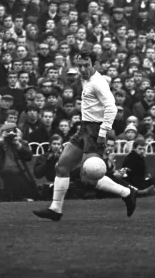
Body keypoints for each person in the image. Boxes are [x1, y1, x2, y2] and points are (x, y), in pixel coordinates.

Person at [33, 50, 137, 221]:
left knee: (88, 178)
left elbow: (111, 108)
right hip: (85, 128)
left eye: (86, 65)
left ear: (94, 64)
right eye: (80, 65)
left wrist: (103, 133)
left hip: (95, 130)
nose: (82, 69)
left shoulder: (98, 83)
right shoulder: (86, 79)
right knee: (61, 166)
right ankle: (55, 209)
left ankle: (127, 192)